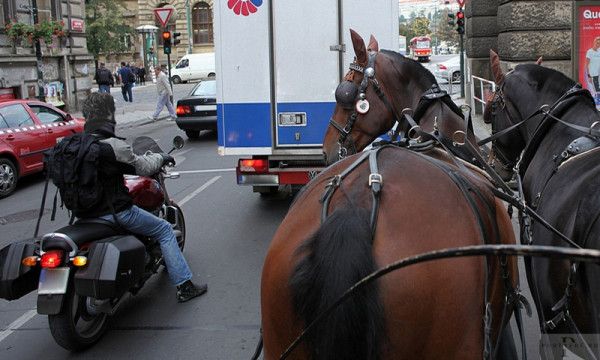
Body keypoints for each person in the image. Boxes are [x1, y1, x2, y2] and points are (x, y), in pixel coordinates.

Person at [79, 92, 207, 302]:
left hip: (83, 213)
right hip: (115, 212)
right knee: (165, 230)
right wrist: (161, 157)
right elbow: (142, 166)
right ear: (109, 114)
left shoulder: (73, 145)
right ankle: (185, 287)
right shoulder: (111, 145)